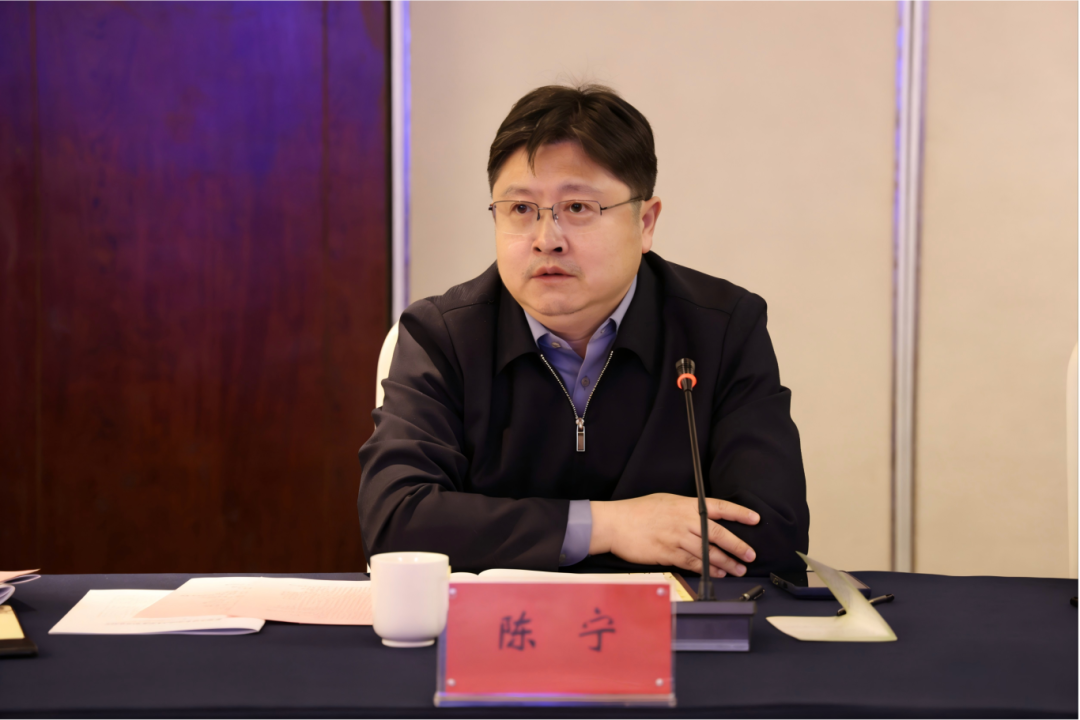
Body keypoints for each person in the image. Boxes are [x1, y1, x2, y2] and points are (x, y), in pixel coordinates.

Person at [358, 85, 809, 578]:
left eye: (577, 208)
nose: (546, 240)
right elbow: (396, 523)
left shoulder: (721, 330)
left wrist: (511, 538)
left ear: (645, 222)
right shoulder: (441, 336)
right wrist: (611, 527)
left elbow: (771, 535)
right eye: (520, 209)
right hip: (500, 623)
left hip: (669, 623)